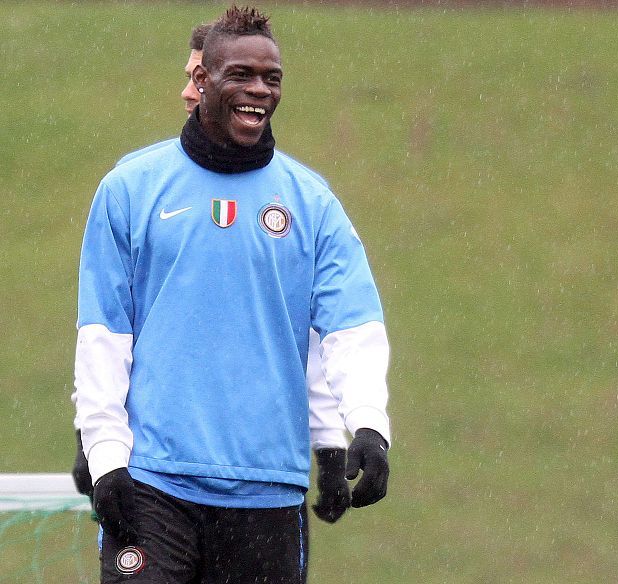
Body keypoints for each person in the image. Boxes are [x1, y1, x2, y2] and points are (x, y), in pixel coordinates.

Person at [73, 6, 391, 583]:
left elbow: (349, 327)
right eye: (241, 75)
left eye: (272, 78)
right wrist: (102, 452)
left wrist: (365, 425)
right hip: (152, 484)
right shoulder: (129, 189)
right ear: (202, 80)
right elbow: (104, 333)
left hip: (267, 492)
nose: (259, 90)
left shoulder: (312, 203)